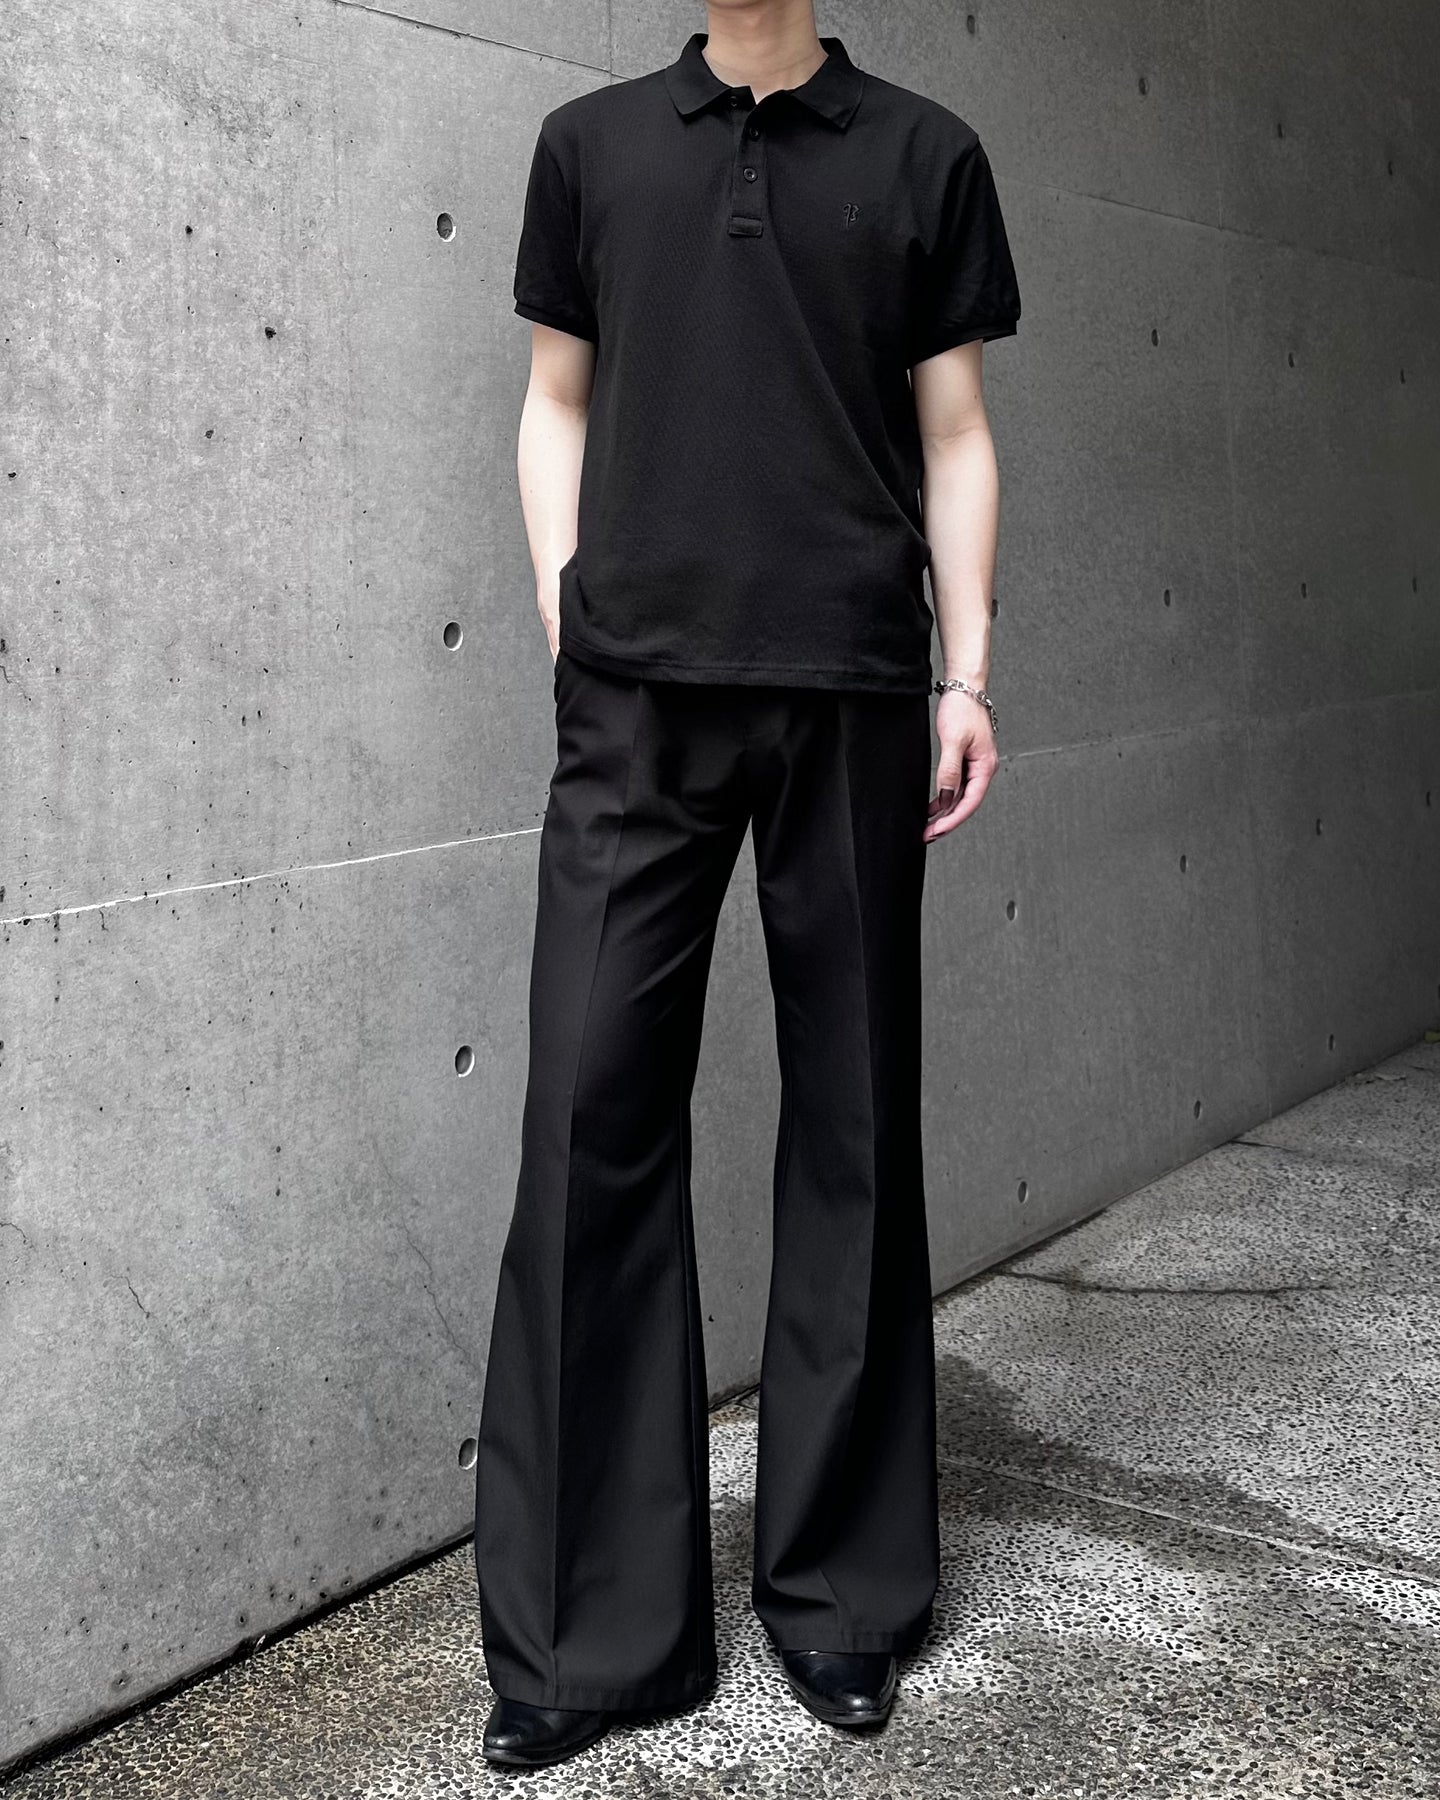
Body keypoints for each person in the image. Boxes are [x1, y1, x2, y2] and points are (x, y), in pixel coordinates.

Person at [473, 0, 1021, 1770]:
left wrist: (966, 674)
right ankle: (582, 1635)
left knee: (854, 1123)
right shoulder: (591, 149)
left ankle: (844, 1595)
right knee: (586, 1118)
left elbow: (956, 430)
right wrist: (566, 599)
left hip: (852, 689)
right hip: (634, 700)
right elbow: (554, 398)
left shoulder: (925, 154)